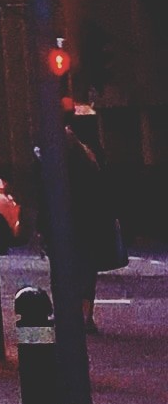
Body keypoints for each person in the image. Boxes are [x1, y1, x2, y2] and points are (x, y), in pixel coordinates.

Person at [64, 109, 123, 332]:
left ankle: (75, 314)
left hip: (73, 220)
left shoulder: (68, 155)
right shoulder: (93, 155)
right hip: (90, 220)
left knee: (71, 268)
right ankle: (85, 315)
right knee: (87, 270)